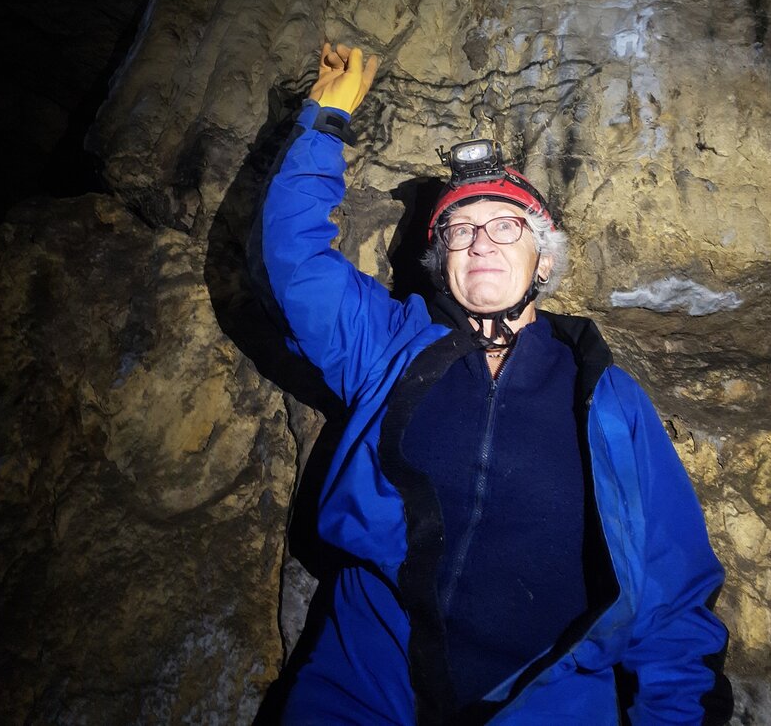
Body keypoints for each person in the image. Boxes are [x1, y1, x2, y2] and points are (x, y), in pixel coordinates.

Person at [254, 42, 733, 725]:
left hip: (548, 705)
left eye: (506, 225)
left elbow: (672, 591)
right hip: (365, 693)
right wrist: (322, 125)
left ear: (544, 258)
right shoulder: (387, 345)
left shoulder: (604, 395)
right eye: (460, 228)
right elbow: (292, 261)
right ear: (439, 255)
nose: (480, 241)